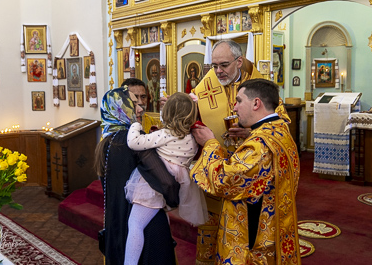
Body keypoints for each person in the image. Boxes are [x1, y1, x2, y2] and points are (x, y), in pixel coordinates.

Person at [190, 78, 301, 264]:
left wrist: (209, 143)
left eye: (239, 101)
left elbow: (222, 180)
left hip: (253, 244)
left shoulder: (259, 146)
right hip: (273, 232)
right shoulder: (280, 131)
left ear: (256, 103)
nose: (234, 108)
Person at [95, 86, 180, 264]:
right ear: (120, 107)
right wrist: (173, 201)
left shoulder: (105, 143)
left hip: (117, 225)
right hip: (148, 227)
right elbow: (166, 182)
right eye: (134, 104)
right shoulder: (134, 140)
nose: (140, 108)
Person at [124, 92, 208, 265]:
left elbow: (134, 143)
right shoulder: (192, 138)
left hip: (153, 183)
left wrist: (135, 125)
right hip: (174, 185)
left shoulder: (166, 134)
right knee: (159, 218)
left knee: (135, 225)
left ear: (167, 114)